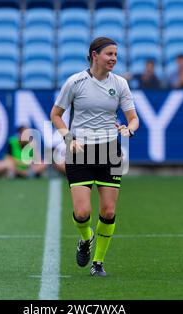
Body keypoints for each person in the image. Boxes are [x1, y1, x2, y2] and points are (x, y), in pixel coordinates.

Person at [50, 37, 139, 276]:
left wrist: (129, 128)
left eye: (115, 55)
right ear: (94, 55)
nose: (113, 59)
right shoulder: (75, 82)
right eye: (109, 54)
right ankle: (85, 237)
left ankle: (98, 263)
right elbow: (56, 114)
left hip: (110, 150)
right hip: (79, 152)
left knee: (108, 212)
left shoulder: (120, 84)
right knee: (82, 213)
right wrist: (69, 138)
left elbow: (133, 117)